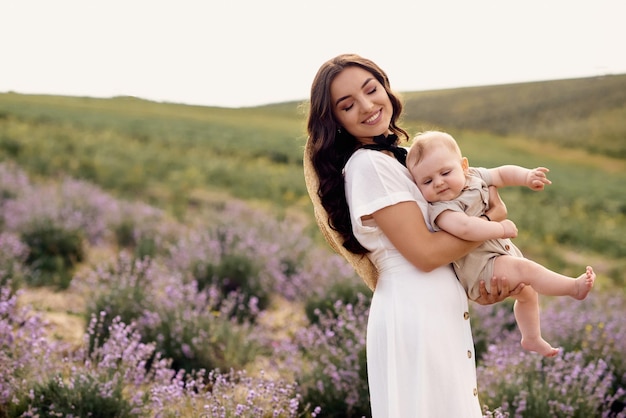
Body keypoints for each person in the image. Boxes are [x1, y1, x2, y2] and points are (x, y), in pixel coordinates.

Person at [303, 53, 524, 417]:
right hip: (415, 311)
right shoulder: (369, 165)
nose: (367, 105)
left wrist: (484, 276)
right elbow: (424, 253)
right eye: (347, 105)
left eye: (371, 89)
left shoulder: (403, 159)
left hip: (434, 307)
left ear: (385, 88)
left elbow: (450, 230)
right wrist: (494, 219)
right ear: (336, 121)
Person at [406, 130, 596, 358]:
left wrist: (527, 177)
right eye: (427, 181)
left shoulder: (474, 176)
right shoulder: (441, 209)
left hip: (498, 255)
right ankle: (573, 289)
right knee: (527, 270)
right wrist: (500, 227)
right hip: (481, 269)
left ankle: (532, 338)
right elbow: (466, 228)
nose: (438, 183)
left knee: (527, 293)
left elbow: (502, 174)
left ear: (463, 166)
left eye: (445, 172)